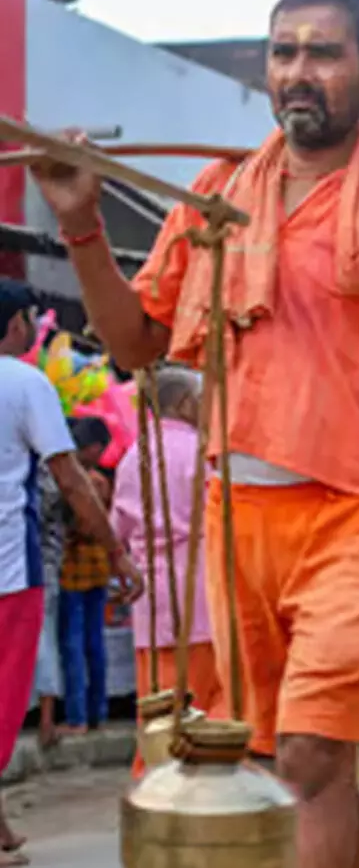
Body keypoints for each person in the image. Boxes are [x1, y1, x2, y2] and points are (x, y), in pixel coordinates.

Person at [29, 0, 359, 866]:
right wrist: (81, 222)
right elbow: (136, 343)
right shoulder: (218, 200)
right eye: (284, 53)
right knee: (282, 762)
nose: (299, 72)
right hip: (239, 514)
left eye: (324, 53)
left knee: (310, 754)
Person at [0, 279, 141, 867]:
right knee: (6, 701)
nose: (36, 329)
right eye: (31, 319)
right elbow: (70, 478)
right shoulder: (25, 382)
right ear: (13, 325)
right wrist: (115, 550)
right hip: (9, 567)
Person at [111, 366, 223, 779]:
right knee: (205, 697)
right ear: (184, 404)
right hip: (199, 592)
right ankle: (204, 780)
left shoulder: (131, 456)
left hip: (150, 600)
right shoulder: (202, 452)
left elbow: (117, 531)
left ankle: (154, 775)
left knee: (156, 697)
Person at [58, 417, 115, 736]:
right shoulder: (100, 482)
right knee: (94, 643)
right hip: (99, 569)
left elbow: (77, 528)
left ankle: (78, 717)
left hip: (71, 571)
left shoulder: (75, 482)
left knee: (73, 644)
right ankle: (98, 712)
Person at [30, 462, 66, 750]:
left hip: (37, 567)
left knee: (42, 643)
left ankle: (46, 721)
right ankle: (45, 720)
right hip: (38, 566)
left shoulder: (42, 471)